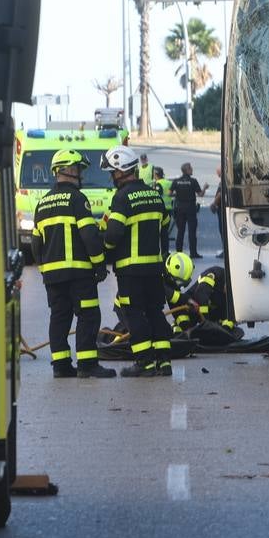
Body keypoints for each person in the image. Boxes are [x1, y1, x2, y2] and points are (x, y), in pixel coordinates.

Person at [30, 149, 116, 378]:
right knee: (88, 316)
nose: (81, 174)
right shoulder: (78, 199)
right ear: (67, 169)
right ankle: (87, 365)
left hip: (53, 276)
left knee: (59, 317)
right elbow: (89, 235)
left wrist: (44, 269)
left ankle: (61, 366)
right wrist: (99, 265)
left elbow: (35, 242)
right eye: (78, 169)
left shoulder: (43, 203)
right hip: (78, 273)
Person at [102, 145, 175, 377]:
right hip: (154, 268)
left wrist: (104, 251)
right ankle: (164, 363)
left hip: (130, 270)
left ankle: (144, 363)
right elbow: (165, 224)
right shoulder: (154, 195)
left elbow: (113, 234)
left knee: (134, 314)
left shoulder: (122, 198)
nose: (112, 177)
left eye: (112, 172)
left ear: (121, 171)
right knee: (155, 312)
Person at [170, 162, 208, 258]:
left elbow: (169, 193)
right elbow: (200, 194)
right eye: (191, 168)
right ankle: (193, 253)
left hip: (179, 208)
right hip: (190, 208)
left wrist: (178, 194)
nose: (192, 170)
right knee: (192, 232)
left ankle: (179, 252)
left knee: (180, 231)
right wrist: (204, 188)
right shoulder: (193, 181)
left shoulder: (176, 181)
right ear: (187, 170)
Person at [153, 166, 173, 251]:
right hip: (169, 209)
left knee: (158, 232)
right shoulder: (169, 182)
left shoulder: (158, 184)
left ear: (156, 175)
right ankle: (165, 251)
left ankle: (159, 251)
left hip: (160, 210)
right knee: (165, 232)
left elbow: (157, 195)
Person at [210, 164, 225, 258]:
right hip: (222, 208)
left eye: (218, 172)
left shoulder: (223, 181)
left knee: (223, 230)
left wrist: (214, 204)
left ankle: (225, 251)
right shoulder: (224, 180)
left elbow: (220, 194)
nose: (217, 174)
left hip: (222, 209)